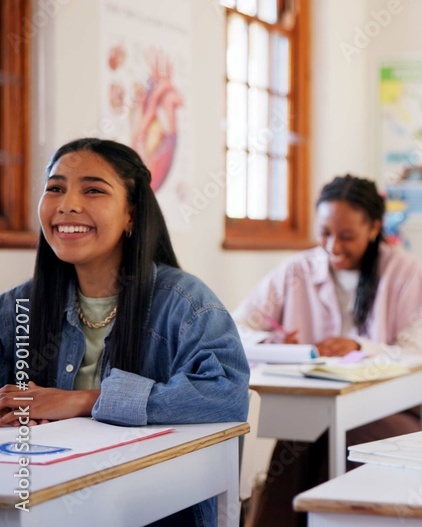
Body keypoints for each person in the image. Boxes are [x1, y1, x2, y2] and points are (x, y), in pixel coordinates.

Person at [0, 138, 250, 527]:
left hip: (155, 511)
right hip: (37, 497)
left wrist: (82, 401)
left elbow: (226, 396)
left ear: (131, 214)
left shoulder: (185, 303)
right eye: (55, 188)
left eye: (93, 189)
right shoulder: (16, 306)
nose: (67, 204)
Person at [236, 174, 422, 527]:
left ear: (374, 228)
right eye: (325, 233)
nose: (333, 247)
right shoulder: (296, 271)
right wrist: (275, 344)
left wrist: (360, 346)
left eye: (347, 236)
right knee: (306, 431)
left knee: (315, 434)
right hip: (316, 404)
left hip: (389, 410)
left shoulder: (404, 270)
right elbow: (237, 328)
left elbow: (414, 350)